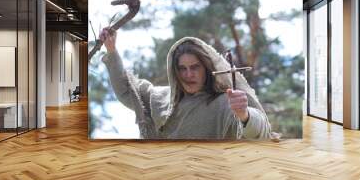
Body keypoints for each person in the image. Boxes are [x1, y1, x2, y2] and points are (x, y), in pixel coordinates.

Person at [100, 28, 279, 140]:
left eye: (195, 67)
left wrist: (244, 114)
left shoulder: (225, 102)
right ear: (174, 70)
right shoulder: (159, 98)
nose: (188, 75)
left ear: (207, 68)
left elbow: (260, 133)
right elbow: (127, 91)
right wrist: (112, 50)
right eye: (182, 68)